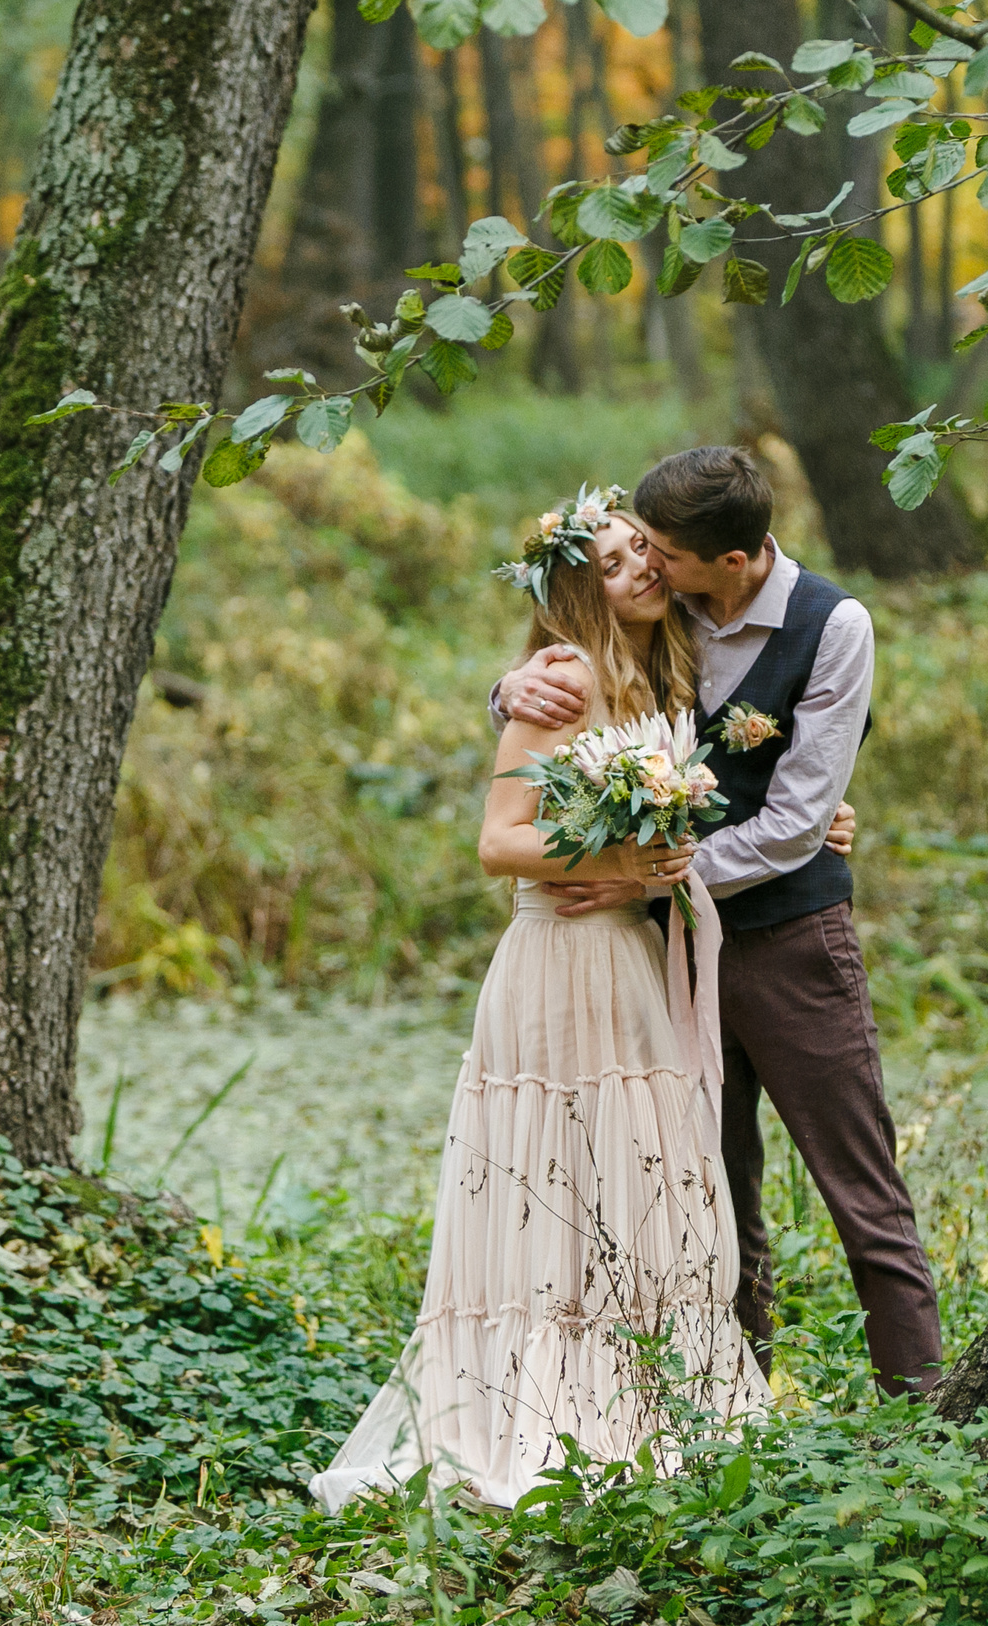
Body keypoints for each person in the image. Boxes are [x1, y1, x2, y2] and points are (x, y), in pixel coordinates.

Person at [310, 487, 765, 1513]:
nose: (642, 570)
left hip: (631, 971)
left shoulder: (663, 669)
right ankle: (538, 1410)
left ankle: (660, 1400)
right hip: (558, 964)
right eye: (612, 562)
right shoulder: (561, 678)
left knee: (639, 1172)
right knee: (553, 1177)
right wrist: (615, 853)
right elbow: (497, 843)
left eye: (643, 551)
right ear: (574, 589)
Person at [494, 446, 944, 1394]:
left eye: (663, 552)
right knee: (706, 1186)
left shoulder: (833, 625)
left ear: (729, 560)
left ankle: (927, 1408)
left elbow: (792, 823)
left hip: (789, 942)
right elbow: (584, 675)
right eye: (641, 553)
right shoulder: (672, 609)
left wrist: (646, 881)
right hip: (668, 956)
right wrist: (507, 689)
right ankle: (728, 1405)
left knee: (859, 1181)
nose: (650, 565)